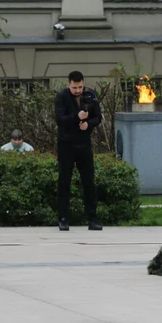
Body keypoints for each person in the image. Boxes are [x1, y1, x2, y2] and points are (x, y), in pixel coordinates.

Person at [55, 71, 103, 231]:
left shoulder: (90, 94)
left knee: (89, 181)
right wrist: (78, 116)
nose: (78, 90)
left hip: (84, 143)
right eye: (74, 87)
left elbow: (98, 117)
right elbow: (60, 120)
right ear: (68, 84)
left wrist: (88, 124)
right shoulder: (61, 97)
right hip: (66, 144)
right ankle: (63, 218)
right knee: (64, 182)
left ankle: (93, 218)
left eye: (80, 87)